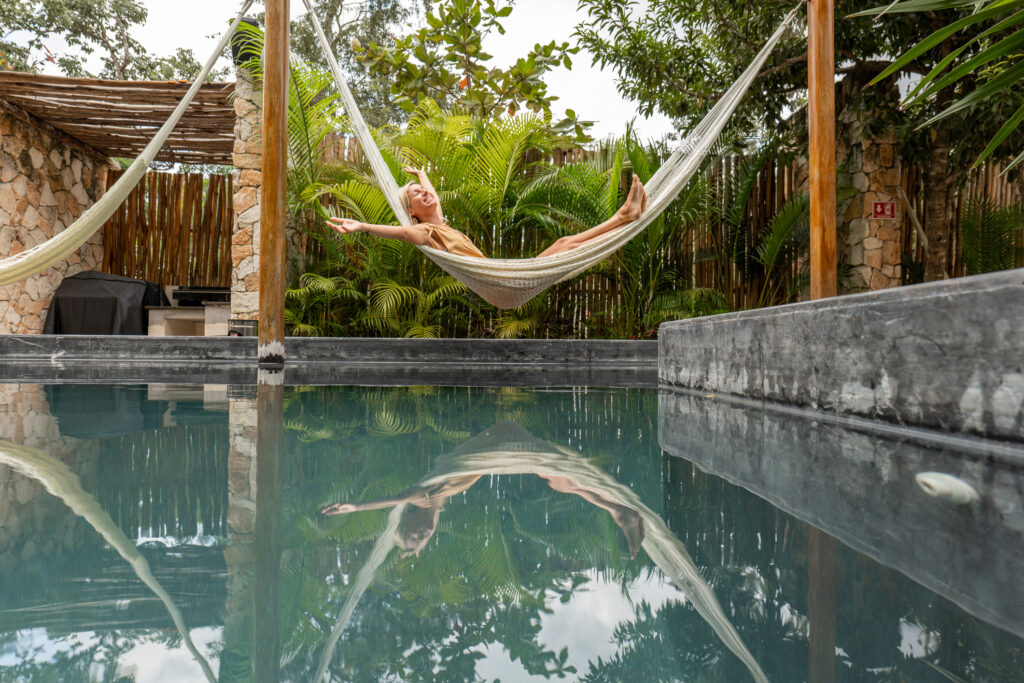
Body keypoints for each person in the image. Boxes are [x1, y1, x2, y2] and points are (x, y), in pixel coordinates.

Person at [328, 167, 648, 258]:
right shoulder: (426, 232)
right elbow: (400, 233)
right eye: (416, 195)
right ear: (411, 211)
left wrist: (421, 175)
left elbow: (433, 196)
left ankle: (624, 217)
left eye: (425, 190)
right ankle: (622, 217)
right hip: (503, 283)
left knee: (566, 244)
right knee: (565, 245)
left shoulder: (440, 221)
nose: (425, 192)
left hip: (505, 274)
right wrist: (362, 227)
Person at [321, 472, 645, 559]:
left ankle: (620, 513)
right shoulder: (434, 507)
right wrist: (415, 547)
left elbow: (393, 499)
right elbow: (424, 532)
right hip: (483, 461)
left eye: (417, 533)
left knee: (559, 481)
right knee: (560, 483)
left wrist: (355, 507)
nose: (425, 535)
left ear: (411, 520)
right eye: (423, 540)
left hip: (485, 454)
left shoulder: (422, 498)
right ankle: (619, 512)